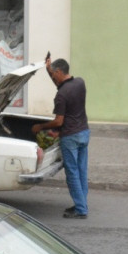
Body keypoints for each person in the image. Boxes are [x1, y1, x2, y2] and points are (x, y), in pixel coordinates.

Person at [32, 55, 90, 219]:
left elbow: (58, 121)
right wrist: (48, 70)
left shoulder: (61, 95)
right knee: (81, 171)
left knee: (72, 173)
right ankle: (81, 203)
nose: (54, 77)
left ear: (58, 71)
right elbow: (61, 85)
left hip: (70, 136)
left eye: (53, 73)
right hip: (84, 133)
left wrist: (40, 127)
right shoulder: (79, 82)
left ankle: (80, 209)